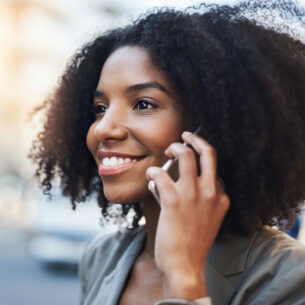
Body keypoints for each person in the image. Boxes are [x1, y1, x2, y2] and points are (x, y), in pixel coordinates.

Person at [29, 0, 305, 304]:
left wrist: (185, 278)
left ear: (212, 125)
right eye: (100, 108)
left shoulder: (289, 275)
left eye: (144, 104)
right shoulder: (102, 256)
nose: (103, 129)